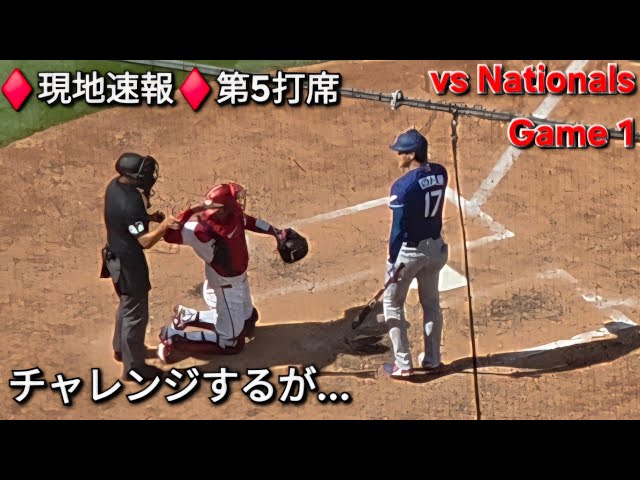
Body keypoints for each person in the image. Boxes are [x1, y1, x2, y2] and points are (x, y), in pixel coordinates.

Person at [157, 182, 290, 363]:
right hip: (224, 285)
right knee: (232, 343)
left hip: (238, 278)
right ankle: (173, 338)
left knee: (249, 320)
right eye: (235, 199)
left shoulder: (232, 214)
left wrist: (276, 232)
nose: (239, 202)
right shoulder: (199, 229)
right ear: (222, 208)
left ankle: (188, 316)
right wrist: (190, 211)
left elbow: (251, 222)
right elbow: (170, 236)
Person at [101, 152, 179, 381]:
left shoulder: (115, 186)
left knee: (127, 306)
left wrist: (149, 217)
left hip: (115, 256)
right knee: (135, 314)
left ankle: (120, 349)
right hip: (129, 264)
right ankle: (134, 368)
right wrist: (164, 226)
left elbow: (126, 220)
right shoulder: (130, 203)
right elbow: (144, 241)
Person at [382, 129, 449, 378]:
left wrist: (392, 261)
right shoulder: (441, 172)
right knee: (431, 304)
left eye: (401, 152)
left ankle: (403, 364)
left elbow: (397, 229)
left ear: (411, 155)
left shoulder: (403, 186)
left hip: (410, 253)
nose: (398, 155)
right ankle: (433, 360)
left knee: (392, 304)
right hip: (436, 249)